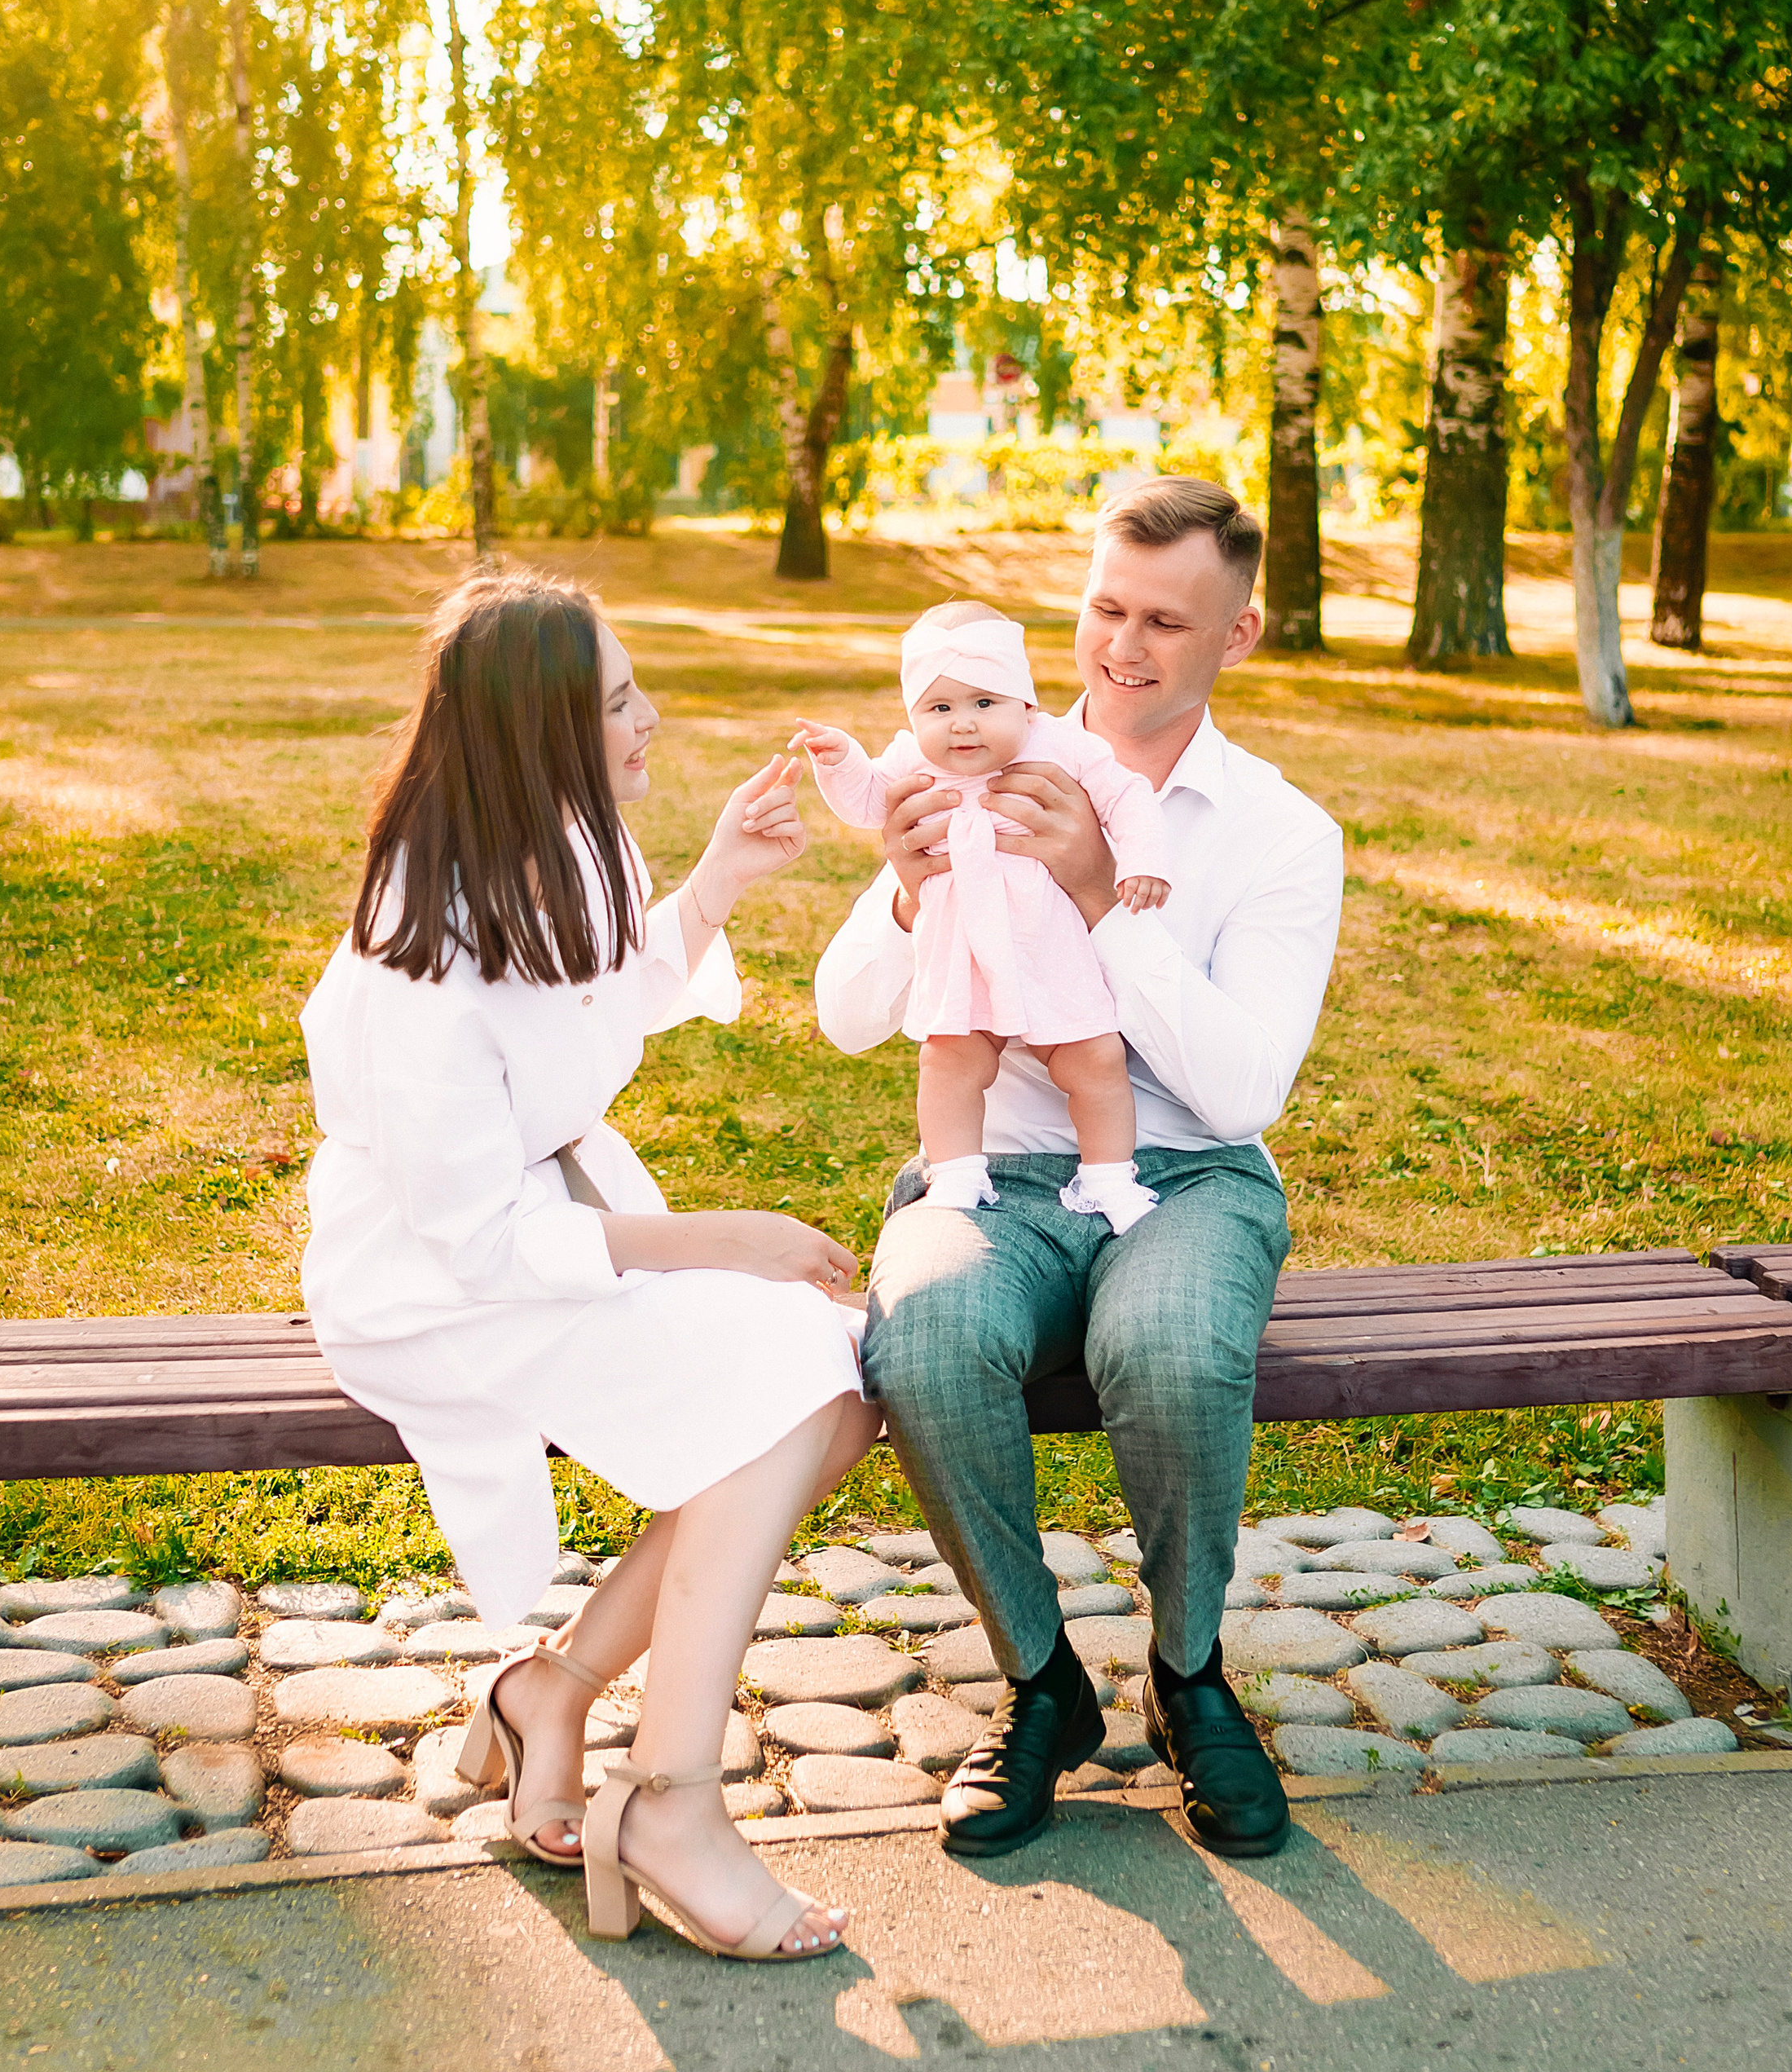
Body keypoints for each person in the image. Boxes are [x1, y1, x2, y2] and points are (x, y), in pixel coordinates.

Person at [300, 569, 879, 1959]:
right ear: (540, 731)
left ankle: (552, 1690)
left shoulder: (571, 836)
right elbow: (478, 1239)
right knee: (798, 1379)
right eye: (620, 701)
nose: (653, 719)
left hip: (554, 1232)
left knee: (844, 1382)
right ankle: (673, 1799)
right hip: (434, 1289)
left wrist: (722, 876)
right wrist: (719, 1242)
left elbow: (605, 994)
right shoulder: (415, 952)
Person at [816, 480, 1343, 1860]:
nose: (1123, 645)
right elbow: (847, 1014)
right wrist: (910, 885)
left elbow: (1238, 1090)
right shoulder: (969, 751)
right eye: (1105, 606)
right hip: (996, 1173)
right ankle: (1044, 1679)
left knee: (1164, 1339)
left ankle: (1189, 1673)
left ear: (1239, 634)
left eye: (1166, 619)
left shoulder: (1284, 833)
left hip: (1191, 1175)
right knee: (924, 1333)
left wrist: (1107, 898)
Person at [791, 598, 1173, 1234]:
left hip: (1049, 948)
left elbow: (1125, 795)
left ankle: (1110, 1176)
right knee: (947, 1062)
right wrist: (839, 761)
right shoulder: (915, 761)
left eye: (984, 703)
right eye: (939, 709)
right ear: (915, 718)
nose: (962, 726)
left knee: (1095, 1059)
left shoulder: (1062, 747)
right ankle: (957, 1171)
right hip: (961, 949)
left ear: (1027, 705)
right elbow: (865, 803)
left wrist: (1143, 859)